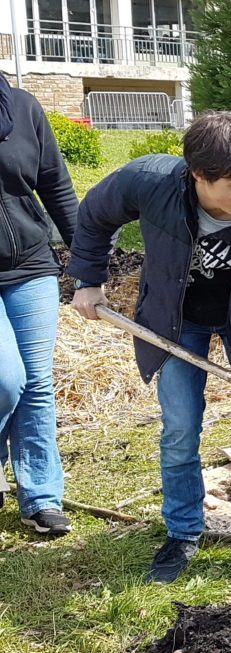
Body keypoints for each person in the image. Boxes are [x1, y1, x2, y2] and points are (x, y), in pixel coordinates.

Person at [67, 112, 231, 584]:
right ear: (199, 174)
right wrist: (89, 280)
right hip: (177, 318)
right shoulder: (150, 180)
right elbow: (94, 213)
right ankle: (182, 531)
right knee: (179, 429)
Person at [0, 77, 79, 535]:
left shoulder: (24, 108)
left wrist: (87, 260)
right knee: (5, 378)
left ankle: (41, 496)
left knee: (36, 381)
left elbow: (57, 186)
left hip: (31, 264)